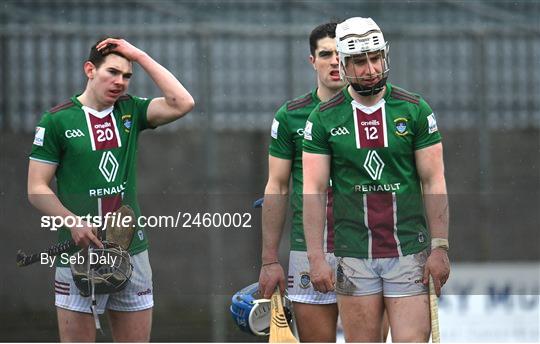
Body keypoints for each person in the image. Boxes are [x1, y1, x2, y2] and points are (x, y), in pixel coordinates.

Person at [27, 37, 194, 342]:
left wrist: (140, 55)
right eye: (112, 72)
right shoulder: (56, 120)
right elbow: (36, 187)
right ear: (89, 69)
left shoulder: (131, 111)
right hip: (77, 254)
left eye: (127, 76)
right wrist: (72, 221)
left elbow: (183, 103)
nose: (120, 82)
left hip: (131, 252)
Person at [303, 17, 450, 342]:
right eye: (359, 61)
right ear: (342, 64)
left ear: (385, 55)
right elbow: (312, 191)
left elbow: (434, 182)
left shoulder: (415, 109)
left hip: (409, 252)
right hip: (353, 254)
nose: (370, 68)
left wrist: (440, 247)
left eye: (376, 57)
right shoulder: (323, 118)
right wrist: (315, 257)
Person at [257, 22, 346, 342]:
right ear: (313, 60)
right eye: (326, 54)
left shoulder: (371, 111)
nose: (335, 61)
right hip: (309, 252)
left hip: (367, 250)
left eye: (342, 53)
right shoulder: (290, 116)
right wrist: (269, 260)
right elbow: (277, 187)